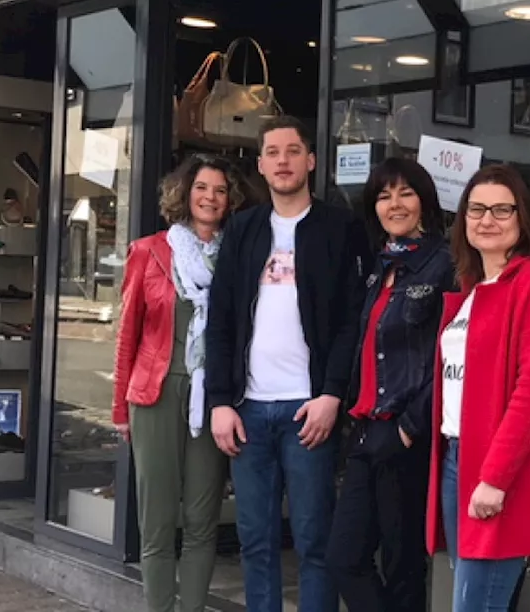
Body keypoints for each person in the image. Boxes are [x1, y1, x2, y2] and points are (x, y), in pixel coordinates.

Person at [205, 117, 370, 612]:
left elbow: (350, 322)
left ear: (311, 161)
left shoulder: (340, 227)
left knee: (315, 541)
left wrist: (332, 395)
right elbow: (222, 320)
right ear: (260, 164)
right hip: (249, 409)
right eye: (273, 153)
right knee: (255, 542)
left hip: (309, 409)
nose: (283, 161)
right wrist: (219, 401)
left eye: (293, 151)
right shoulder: (243, 228)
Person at [426, 164, 530, 612]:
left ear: (522, 218)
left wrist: (494, 477)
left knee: (475, 604)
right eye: (476, 209)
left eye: (501, 209)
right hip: (459, 459)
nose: (486, 219)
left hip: (500, 471)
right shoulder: (475, 289)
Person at [112, 155, 247, 612]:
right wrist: (119, 411)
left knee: (202, 520)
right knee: (157, 520)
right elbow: (127, 336)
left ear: (230, 201)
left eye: (221, 190)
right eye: (202, 187)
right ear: (185, 193)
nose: (211, 197)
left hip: (215, 398)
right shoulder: (149, 251)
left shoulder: (239, 256)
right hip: (156, 394)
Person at [326, 158, 457, 611]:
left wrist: (408, 426)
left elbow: (450, 356)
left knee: (402, 569)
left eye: (405, 193)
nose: (395, 204)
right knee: (344, 560)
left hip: (405, 434)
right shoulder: (379, 266)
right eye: (384, 196)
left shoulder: (445, 264)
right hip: (365, 432)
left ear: (424, 201)